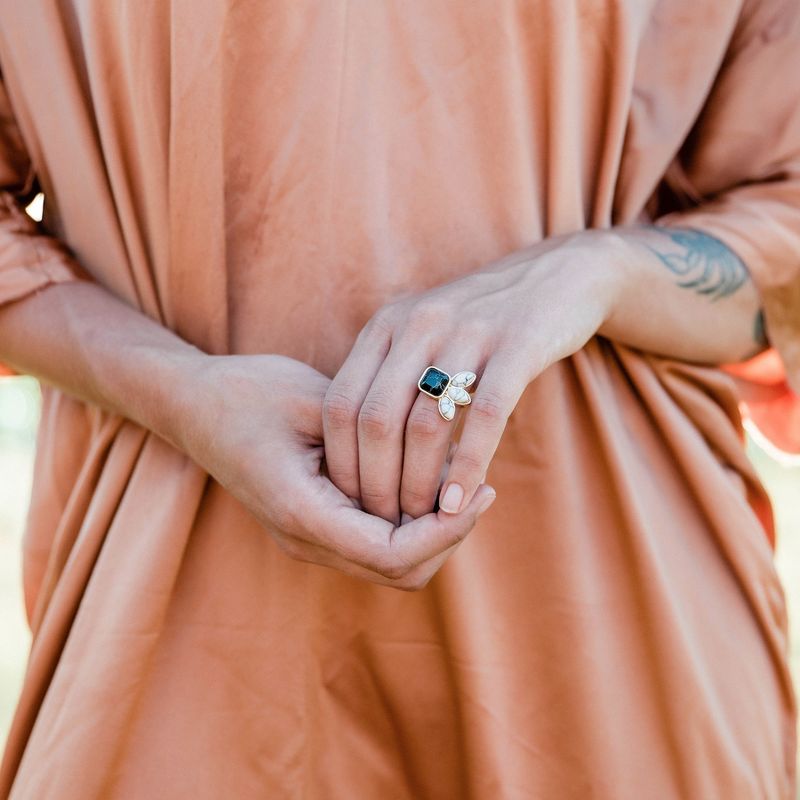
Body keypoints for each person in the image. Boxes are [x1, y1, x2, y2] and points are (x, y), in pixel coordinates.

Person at [0, 1, 798, 797]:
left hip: (617, 629)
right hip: (170, 641)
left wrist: (598, 272)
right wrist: (175, 391)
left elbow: (784, 232)